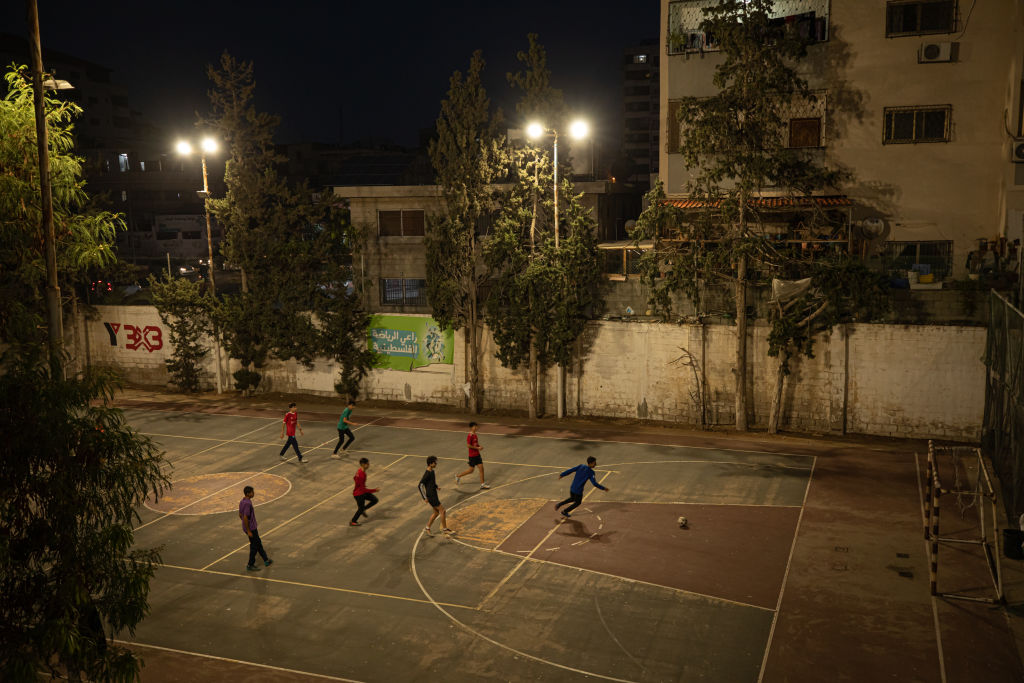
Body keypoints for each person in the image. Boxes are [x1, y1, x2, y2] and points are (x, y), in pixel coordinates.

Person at [239, 485, 273, 571]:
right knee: (254, 546)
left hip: (249, 527)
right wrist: (248, 530)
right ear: (248, 493)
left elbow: (240, 514)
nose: (253, 493)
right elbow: (246, 517)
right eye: (252, 492)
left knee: (258, 543)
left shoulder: (242, 501)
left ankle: (266, 560)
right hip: (251, 529)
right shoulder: (247, 503)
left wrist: (244, 524)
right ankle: (250, 564)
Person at [419, 455, 454, 535]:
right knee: (442, 510)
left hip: (434, 494)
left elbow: (431, 482)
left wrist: (436, 486)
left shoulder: (432, 471)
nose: (436, 464)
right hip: (431, 496)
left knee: (436, 513)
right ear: (431, 464)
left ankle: (427, 528)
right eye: (435, 463)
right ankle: (445, 529)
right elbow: (420, 485)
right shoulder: (427, 473)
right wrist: (424, 498)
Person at [456, 421, 489, 489]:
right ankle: (458, 476)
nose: (476, 427)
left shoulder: (475, 435)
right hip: (472, 456)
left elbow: (476, 444)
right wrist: (477, 448)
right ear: (471, 427)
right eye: (475, 426)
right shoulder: (470, 436)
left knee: (481, 468)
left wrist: (479, 447)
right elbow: (468, 445)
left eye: (476, 426)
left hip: (477, 455)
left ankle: (482, 484)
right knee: (471, 470)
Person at [350, 457, 379, 526]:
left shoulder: (359, 471)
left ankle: (363, 509)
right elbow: (363, 490)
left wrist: (359, 484)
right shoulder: (362, 475)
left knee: (374, 500)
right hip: (359, 494)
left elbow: (354, 478)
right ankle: (353, 521)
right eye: (367, 464)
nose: (368, 465)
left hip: (361, 492)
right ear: (363, 464)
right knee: (360, 509)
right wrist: (375, 490)